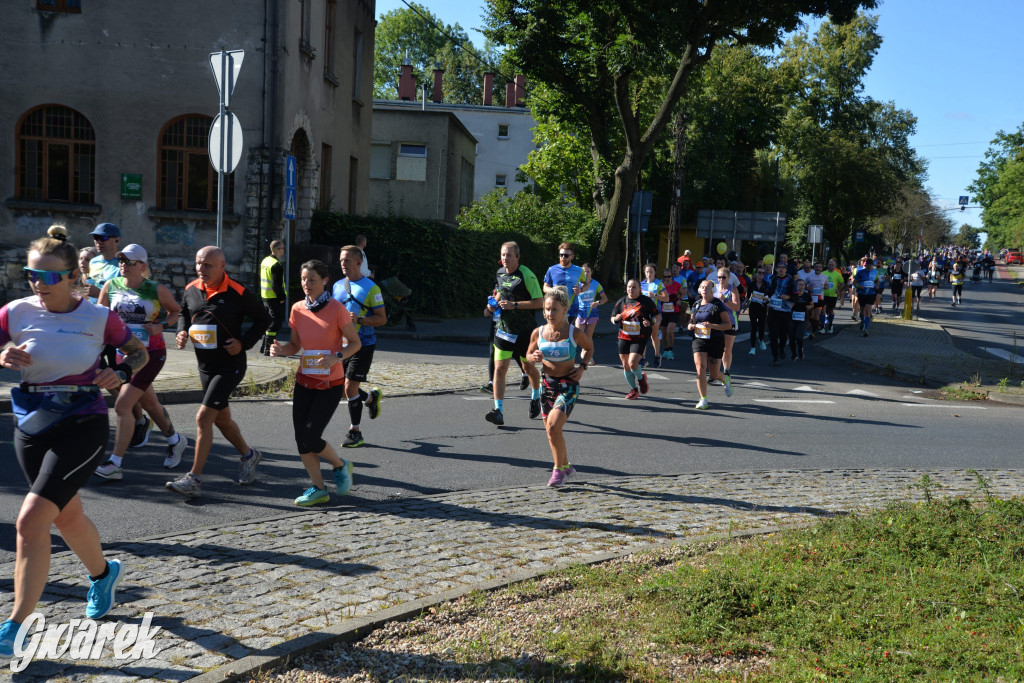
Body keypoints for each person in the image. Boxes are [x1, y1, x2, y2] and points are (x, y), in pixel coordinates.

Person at [0, 234, 149, 655]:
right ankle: (104, 575)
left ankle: (16, 627)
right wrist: (2, 357)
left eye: (48, 275)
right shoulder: (14, 313)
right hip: (30, 424)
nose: (37, 283)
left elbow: (139, 354)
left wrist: (118, 372)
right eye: (31, 274)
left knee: (30, 521)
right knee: (66, 516)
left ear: (72, 277)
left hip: (82, 421)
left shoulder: (99, 317)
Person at [167, 246, 271, 499]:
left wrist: (243, 343)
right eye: (198, 264)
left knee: (203, 418)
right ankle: (249, 455)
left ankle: (194, 479)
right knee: (221, 419)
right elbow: (184, 313)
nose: (201, 269)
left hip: (230, 365)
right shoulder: (192, 289)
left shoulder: (236, 292)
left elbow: (264, 318)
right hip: (205, 366)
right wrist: (181, 331)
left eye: (207, 265)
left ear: (222, 266)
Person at [271, 260, 362, 506]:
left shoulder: (336, 309)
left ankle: (341, 465)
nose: (306, 285)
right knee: (301, 440)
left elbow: (355, 343)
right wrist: (281, 350)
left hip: (330, 385)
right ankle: (319, 488)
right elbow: (295, 346)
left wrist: (337, 357)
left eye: (312, 280)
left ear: (324, 281)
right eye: (303, 280)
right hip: (304, 382)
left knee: (311, 437)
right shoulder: (298, 309)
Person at [94, 244, 188, 480]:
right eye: (121, 261)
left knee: (122, 405)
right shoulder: (111, 286)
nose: (123, 265)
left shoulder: (156, 289)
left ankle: (115, 462)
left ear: (142, 266)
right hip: (122, 354)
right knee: (150, 403)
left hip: (151, 354)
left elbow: (177, 311)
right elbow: (99, 316)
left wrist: (162, 326)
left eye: (129, 261)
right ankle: (176, 441)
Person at [526, 286, 593, 487]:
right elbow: (528, 356)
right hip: (547, 385)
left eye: (554, 309)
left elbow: (589, 348)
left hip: (569, 385)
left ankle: (557, 472)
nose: (549, 314)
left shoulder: (575, 332)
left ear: (565, 309)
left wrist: (582, 367)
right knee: (551, 431)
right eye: (546, 309)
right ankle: (566, 466)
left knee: (554, 426)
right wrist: (533, 357)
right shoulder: (538, 333)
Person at [331, 246, 387, 447]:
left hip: (363, 344)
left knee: (349, 386)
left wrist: (361, 320)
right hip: (342, 344)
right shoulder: (337, 286)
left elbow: (382, 319)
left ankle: (355, 432)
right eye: (341, 260)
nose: (343, 264)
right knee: (341, 389)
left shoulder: (372, 288)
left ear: (357, 263)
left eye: (346, 260)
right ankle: (371, 399)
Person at [484, 242, 543, 426]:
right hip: (504, 328)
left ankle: (536, 395)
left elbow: (540, 301)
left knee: (528, 368)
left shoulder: (526, 275)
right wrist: (492, 305)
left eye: (509, 255)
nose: (505, 259)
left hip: (525, 331)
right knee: (500, 369)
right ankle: (498, 411)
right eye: (503, 255)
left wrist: (515, 305)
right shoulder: (500, 273)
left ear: (517, 257)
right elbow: (501, 292)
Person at [687, 278, 733, 409]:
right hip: (699, 340)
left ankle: (725, 379)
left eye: (707, 287)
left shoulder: (718, 305)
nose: (704, 289)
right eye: (702, 287)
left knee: (714, 374)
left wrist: (711, 325)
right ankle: (703, 399)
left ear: (713, 290)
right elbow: (691, 321)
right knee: (700, 368)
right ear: (699, 290)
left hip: (715, 340)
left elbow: (727, 325)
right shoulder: (696, 304)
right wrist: (690, 325)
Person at [610, 279, 657, 400]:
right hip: (624, 336)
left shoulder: (646, 301)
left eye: (634, 287)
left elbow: (657, 315)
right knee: (625, 365)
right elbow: (612, 317)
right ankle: (633, 390)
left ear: (639, 289)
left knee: (632, 363)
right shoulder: (622, 301)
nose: (631, 289)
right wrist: (616, 319)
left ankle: (641, 379)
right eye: (629, 287)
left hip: (640, 337)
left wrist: (650, 322)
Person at [542, 242, 585, 325]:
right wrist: (553, 290)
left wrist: (581, 289)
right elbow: (545, 287)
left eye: (566, 255)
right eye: (561, 255)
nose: (563, 258)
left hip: (572, 309)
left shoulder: (579, 270)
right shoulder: (551, 269)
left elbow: (587, 283)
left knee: (568, 334)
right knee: (556, 333)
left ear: (572, 256)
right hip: (556, 307)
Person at [712, 267, 740, 392]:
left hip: (730, 322)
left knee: (726, 349)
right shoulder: (714, 288)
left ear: (729, 278)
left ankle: (726, 372)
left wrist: (725, 300)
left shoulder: (732, 289)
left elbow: (737, 307)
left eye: (723, 277)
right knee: (716, 348)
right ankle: (715, 373)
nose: (721, 279)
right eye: (719, 277)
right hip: (717, 322)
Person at [259, 239, 286, 356]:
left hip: (265, 296)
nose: (283, 250)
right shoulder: (276, 265)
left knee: (269, 321)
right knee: (275, 323)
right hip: (274, 297)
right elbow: (277, 284)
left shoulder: (265, 261)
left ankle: (264, 346)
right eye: (282, 248)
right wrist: (281, 297)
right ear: (277, 250)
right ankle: (268, 348)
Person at [573, 262, 608, 354]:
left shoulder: (596, 284)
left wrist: (597, 302)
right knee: (578, 335)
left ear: (591, 272)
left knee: (588, 336)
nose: (586, 274)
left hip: (592, 314)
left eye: (588, 271)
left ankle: (588, 354)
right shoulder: (578, 284)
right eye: (584, 272)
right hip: (580, 313)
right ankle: (584, 349)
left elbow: (605, 299)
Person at [766, 262, 795, 366]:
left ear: (786, 269)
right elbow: (767, 292)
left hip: (785, 312)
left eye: (783, 268)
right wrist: (767, 299)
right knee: (773, 335)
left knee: (783, 335)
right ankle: (775, 358)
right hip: (773, 311)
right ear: (776, 269)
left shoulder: (791, 281)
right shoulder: (772, 280)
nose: (781, 270)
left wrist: (788, 297)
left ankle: (782, 348)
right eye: (779, 268)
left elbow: (796, 296)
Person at [639, 263, 667, 367]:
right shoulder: (641, 284)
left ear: (655, 272)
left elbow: (666, 298)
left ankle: (656, 355)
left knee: (653, 335)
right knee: (643, 335)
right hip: (644, 313)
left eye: (651, 272)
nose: (649, 274)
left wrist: (655, 295)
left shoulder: (659, 283)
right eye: (647, 272)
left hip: (656, 313)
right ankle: (643, 358)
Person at [659, 268, 682, 360]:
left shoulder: (677, 285)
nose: (667, 278)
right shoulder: (660, 285)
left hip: (674, 311)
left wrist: (679, 300)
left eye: (669, 276)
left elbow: (682, 294)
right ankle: (666, 350)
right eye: (665, 277)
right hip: (663, 312)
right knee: (664, 333)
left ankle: (671, 351)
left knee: (670, 330)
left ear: (672, 276)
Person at [746, 265, 770, 354]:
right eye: (759, 272)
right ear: (756, 274)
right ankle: (752, 348)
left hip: (762, 308)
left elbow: (770, 295)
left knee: (761, 326)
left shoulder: (766, 284)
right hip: (753, 307)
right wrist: (745, 302)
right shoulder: (751, 284)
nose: (761, 275)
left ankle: (761, 339)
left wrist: (768, 299)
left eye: (763, 273)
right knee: (753, 327)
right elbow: (748, 296)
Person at [853, 256, 878, 336]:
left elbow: (877, 281)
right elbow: (854, 282)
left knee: (868, 310)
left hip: (871, 293)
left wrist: (877, 286)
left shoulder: (875, 272)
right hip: (862, 293)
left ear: (873, 265)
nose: (869, 266)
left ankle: (866, 329)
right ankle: (862, 321)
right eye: (868, 265)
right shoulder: (860, 272)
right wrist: (858, 286)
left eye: (870, 265)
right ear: (865, 265)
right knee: (862, 310)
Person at [788, 279, 813, 360]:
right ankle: (794, 354)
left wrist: (810, 307)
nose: (801, 286)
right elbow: (786, 304)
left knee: (799, 337)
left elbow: (812, 304)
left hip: (803, 319)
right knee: (791, 338)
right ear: (796, 285)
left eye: (803, 285)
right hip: (792, 318)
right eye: (800, 284)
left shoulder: (807, 296)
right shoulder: (792, 295)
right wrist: (790, 305)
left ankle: (800, 350)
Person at [821, 259, 844, 333]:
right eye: (830, 265)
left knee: (831, 310)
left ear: (835, 266)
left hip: (832, 295)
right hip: (823, 294)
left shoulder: (837, 274)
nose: (831, 266)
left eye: (832, 265)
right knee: (823, 310)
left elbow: (842, 283)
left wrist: (839, 289)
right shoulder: (823, 273)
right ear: (827, 265)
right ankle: (822, 326)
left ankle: (830, 325)